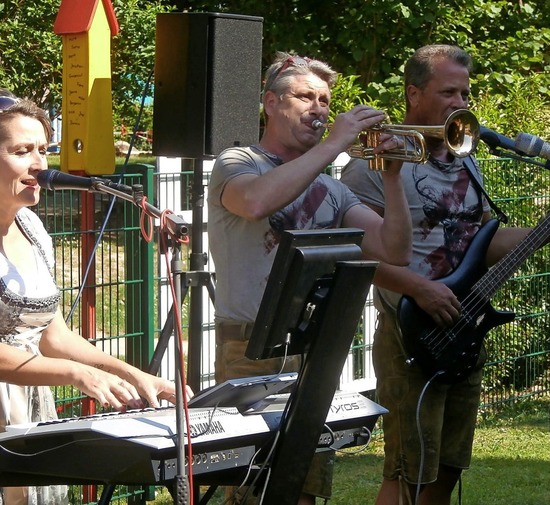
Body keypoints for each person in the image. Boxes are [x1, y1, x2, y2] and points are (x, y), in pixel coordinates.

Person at [340, 44, 550, 505]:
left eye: (465, 93)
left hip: (461, 324)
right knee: (407, 469)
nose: (461, 103)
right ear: (414, 93)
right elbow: (354, 253)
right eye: (448, 92)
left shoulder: (464, 156)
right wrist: (420, 288)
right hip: (409, 328)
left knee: (449, 466)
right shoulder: (374, 161)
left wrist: (545, 229)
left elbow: (479, 243)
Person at [0, 85, 191, 505]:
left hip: (29, 401)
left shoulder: (32, 226)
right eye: (22, 151)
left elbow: (54, 337)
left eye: (43, 150)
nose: (39, 165)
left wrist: (133, 374)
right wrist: (76, 375)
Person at [207, 52, 412, 504]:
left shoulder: (334, 188)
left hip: (312, 350)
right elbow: (256, 203)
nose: (319, 109)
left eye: (324, 100)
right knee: (253, 489)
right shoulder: (238, 161)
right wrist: (334, 144)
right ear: (271, 103)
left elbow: (394, 249)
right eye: (305, 97)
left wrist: (393, 179)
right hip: (248, 348)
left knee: (302, 488)